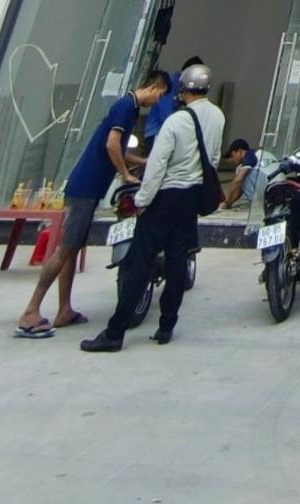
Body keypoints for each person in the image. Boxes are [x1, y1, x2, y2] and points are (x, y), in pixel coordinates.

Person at [14, 69, 169, 338]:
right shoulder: (126, 106)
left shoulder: (129, 108)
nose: (158, 102)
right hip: (84, 188)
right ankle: (31, 311)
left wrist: (144, 162)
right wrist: (125, 174)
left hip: (88, 189)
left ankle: (64, 309)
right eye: (161, 96)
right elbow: (112, 145)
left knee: (73, 249)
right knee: (64, 249)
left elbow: (118, 149)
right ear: (155, 88)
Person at [82, 63, 225, 352]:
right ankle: (166, 326)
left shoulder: (176, 121)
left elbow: (157, 165)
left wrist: (142, 201)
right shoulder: (218, 116)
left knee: (138, 263)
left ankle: (115, 332)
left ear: (183, 90)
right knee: (177, 261)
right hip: (191, 198)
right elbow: (214, 159)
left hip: (166, 197)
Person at [144, 55, 205, 148]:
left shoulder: (184, 86)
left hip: (171, 133)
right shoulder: (171, 84)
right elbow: (165, 114)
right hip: (157, 132)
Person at [222, 138, 261, 209]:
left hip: (267, 191)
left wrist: (227, 201)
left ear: (239, 152)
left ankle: (253, 202)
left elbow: (237, 181)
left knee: (241, 173)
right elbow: (239, 190)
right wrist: (230, 203)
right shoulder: (256, 154)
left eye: (232, 156)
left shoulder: (250, 156)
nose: (232, 161)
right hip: (273, 189)